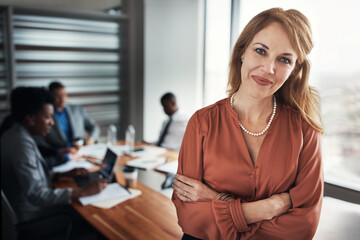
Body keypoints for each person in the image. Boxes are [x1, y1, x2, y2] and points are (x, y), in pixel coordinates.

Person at [172, 8, 323, 240]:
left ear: (294, 70)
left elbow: (303, 227)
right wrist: (268, 208)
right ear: (242, 51)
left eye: (284, 59)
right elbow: (190, 217)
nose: (268, 69)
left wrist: (215, 200)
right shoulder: (202, 122)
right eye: (261, 51)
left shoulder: (305, 130)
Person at [1, 87, 107, 227]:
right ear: (30, 117)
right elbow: (37, 194)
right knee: (91, 218)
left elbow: (27, 177)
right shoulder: (21, 144)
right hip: (33, 217)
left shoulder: (15, 134)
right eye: (47, 117)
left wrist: (59, 175)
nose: (52, 122)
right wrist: (82, 191)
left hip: (28, 210)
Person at [34, 81, 100, 168]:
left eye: (64, 95)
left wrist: (91, 139)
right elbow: (40, 142)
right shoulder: (46, 114)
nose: (62, 99)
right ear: (51, 97)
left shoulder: (77, 109)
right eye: (57, 96)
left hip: (81, 155)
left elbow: (94, 127)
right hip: (59, 158)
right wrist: (58, 151)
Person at [156, 92, 189, 189]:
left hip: (172, 157)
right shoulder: (166, 122)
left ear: (173, 103)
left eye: (165, 106)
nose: (164, 110)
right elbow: (160, 141)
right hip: (159, 153)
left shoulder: (186, 121)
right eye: (162, 107)